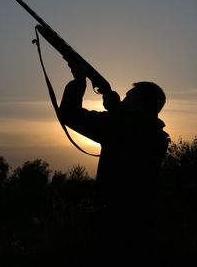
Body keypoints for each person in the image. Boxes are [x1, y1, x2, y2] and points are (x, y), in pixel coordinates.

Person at [59, 60, 170, 259]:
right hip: (143, 224)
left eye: (129, 98)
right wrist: (116, 108)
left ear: (139, 103)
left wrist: (79, 81)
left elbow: (70, 114)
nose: (124, 101)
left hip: (114, 225)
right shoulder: (157, 136)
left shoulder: (122, 126)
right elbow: (131, 125)